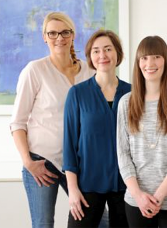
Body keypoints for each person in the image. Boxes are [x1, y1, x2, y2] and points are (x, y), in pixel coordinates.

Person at [9, 12, 103, 228]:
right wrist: (28, 162)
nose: (59, 38)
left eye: (64, 32)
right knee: (43, 224)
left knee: (99, 220)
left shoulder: (89, 71)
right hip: (42, 161)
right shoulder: (35, 70)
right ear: (44, 36)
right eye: (52, 33)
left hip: (80, 164)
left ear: (72, 35)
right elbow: (17, 123)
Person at [117, 36, 167, 228]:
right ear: (138, 63)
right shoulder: (126, 103)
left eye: (156, 57)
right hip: (137, 202)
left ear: (165, 60)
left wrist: (158, 197)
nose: (149, 63)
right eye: (144, 58)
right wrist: (139, 196)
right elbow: (123, 153)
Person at [63, 29, 130, 228]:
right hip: (87, 184)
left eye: (108, 49)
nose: (102, 55)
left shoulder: (132, 93)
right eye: (96, 51)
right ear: (90, 57)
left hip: (126, 185)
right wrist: (73, 189)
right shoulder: (77, 93)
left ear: (117, 53)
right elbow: (69, 145)